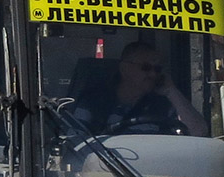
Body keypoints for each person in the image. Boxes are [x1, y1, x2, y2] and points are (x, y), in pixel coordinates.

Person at [73, 41, 207, 137]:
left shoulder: (163, 106)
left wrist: (171, 91)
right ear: (124, 69)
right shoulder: (93, 103)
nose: (153, 74)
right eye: (146, 67)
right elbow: (75, 143)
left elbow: (199, 133)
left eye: (157, 69)